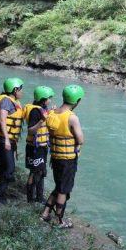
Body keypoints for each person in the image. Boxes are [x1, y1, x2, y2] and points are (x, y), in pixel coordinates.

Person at [41, 85, 85, 228]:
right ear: (77, 101)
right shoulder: (72, 118)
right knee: (63, 190)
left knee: (59, 186)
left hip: (55, 157)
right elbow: (80, 140)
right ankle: (59, 221)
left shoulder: (52, 113)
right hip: (68, 160)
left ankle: (45, 214)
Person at [0, 77, 24, 204]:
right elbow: (2, 120)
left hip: (7, 140)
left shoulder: (12, 101)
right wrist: (6, 139)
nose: (22, 92)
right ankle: (0, 196)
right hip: (2, 139)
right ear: (15, 90)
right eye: (21, 90)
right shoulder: (6, 101)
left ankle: (0, 195)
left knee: (4, 166)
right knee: (9, 168)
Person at [24, 86, 54, 203]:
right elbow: (31, 130)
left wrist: (50, 111)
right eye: (48, 98)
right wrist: (41, 120)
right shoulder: (35, 111)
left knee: (41, 171)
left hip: (41, 147)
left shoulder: (42, 109)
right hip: (34, 148)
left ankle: (39, 197)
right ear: (43, 99)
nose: (50, 100)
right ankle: (30, 199)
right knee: (35, 172)